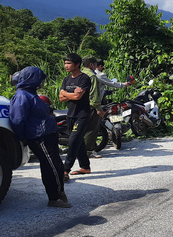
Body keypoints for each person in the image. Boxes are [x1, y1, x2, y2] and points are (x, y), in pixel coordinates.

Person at [9, 67, 70, 208]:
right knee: (53, 167)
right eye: (39, 79)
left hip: (47, 134)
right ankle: (55, 197)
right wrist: (22, 137)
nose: (41, 82)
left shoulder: (31, 94)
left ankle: (56, 194)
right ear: (31, 79)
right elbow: (18, 120)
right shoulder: (22, 96)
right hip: (40, 137)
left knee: (51, 165)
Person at [59, 53, 92, 179]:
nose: (66, 66)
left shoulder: (84, 79)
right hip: (70, 114)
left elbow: (77, 97)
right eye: (65, 63)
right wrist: (71, 94)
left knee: (73, 141)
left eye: (69, 63)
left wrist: (66, 94)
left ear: (77, 64)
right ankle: (85, 167)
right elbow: (61, 98)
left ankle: (65, 170)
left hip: (82, 115)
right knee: (78, 141)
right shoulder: (67, 79)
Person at [81, 56, 104, 159]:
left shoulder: (80, 74)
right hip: (91, 107)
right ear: (91, 65)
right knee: (92, 129)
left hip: (81, 106)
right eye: (95, 64)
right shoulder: (92, 76)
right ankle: (88, 151)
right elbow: (94, 94)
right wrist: (98, 108)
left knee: (84, 129)